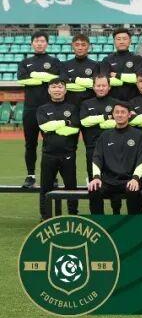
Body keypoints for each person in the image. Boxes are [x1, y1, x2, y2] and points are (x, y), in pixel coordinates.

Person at [17, 29, 64, 188]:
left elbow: (58, 80)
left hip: (50, 109)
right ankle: (30, 176)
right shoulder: (25, 62)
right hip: (30, 109)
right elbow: (23, 80)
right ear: (32, 43)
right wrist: (45, 77)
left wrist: (34, 75)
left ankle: (52, 176)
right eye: (36, 41)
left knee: (51, 144)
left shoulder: (54, 61)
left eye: (42, 41)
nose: (39, 43)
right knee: (30, 144)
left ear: (47, 43)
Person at [87, 102, 142, 215]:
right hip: (108, 181)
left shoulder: (139, 135)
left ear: (129, 115)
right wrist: (96, 177)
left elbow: (141, 159)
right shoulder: (105, 135)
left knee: (133, 190)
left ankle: (134, 223)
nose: (119, 115)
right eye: (117, 112)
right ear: (113, 115)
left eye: (123, 112)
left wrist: (135, 178)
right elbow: (97, 158)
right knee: (94, 188)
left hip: (129, 180)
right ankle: (99, 222)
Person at [36, 79, 80, 219]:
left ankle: (73, 215)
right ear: (49, 90)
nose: (57, 90)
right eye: (54, 87)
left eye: (60, 87)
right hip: (48, 155)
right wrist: (65, 122)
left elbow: (74, 129)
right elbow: (44, 127)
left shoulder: (73, 108)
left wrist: (54, 128)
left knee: (71, 187)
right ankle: (45, 217)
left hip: (68, 154)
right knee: (46, 187)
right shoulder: (42, 109)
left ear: (65, 90)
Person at [78, 74, 119, 181]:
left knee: (113, 179)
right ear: (93, 87)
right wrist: (106, 117)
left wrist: (97, 123)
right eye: (98, 85)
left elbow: (119, 122)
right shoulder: (86, 104)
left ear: (109, 87)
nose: (101, 88)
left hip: (113, 147)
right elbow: (84, 122)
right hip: (92, 147)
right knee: (94, 180)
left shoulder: (116, 103)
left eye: (104, 86)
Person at [102, 27, 142, 101]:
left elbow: (139, 79)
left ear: (130, 41)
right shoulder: (107, 60)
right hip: (112, 102)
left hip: (134, 101)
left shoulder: (138, 59)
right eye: (118, 39)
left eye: (124, 39)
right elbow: (105, 81)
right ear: (114, 41)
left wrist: (117, 75)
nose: (121, 42)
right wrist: (129, 79)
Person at [60, 33, 99, 105]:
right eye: (77, 45)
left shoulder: (96, 65)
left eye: (83, 45)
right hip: (69, 105)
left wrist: (72, 80)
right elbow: (63, 83)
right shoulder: (65, 65)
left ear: (88, 46)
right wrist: (85, 84)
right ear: (72, 46)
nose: (80, 48)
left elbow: (95, 84)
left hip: (90, 105)